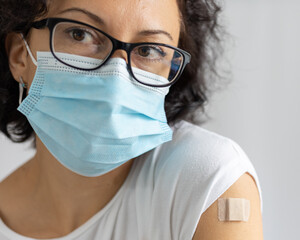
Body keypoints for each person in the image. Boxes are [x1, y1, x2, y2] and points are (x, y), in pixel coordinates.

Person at [0, 0, 264, 239]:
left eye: (149, 50)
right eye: (80, 34)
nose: (117, 75)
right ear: (19, 56)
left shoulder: (207, 179)